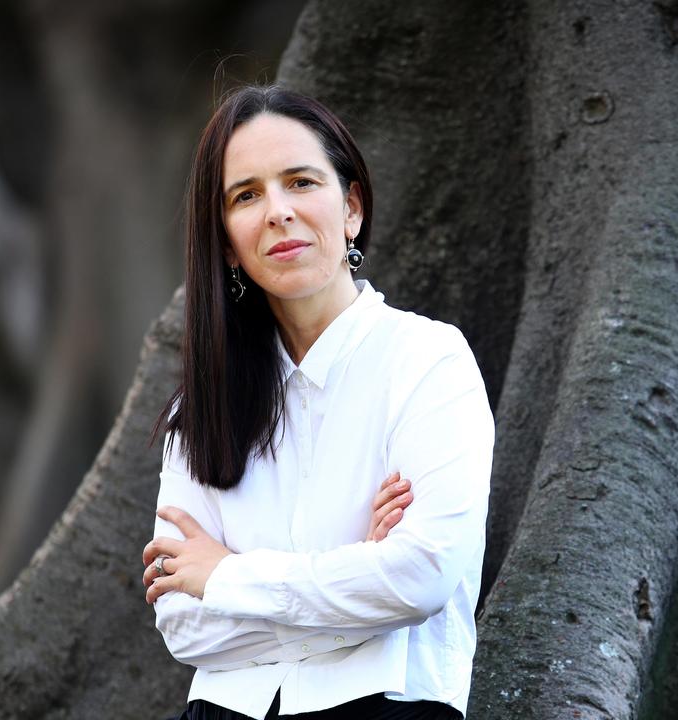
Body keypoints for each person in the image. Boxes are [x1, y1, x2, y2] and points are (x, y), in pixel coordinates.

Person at [140, 84, 494, 720]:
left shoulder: (427, 361)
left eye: (301, 182)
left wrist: (225, 576)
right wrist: (356, 574)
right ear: (226, 243)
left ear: (351, 206)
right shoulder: (202, 409)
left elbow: (420, 579)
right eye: (246, 195)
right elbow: (182, 622)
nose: (277, 211)